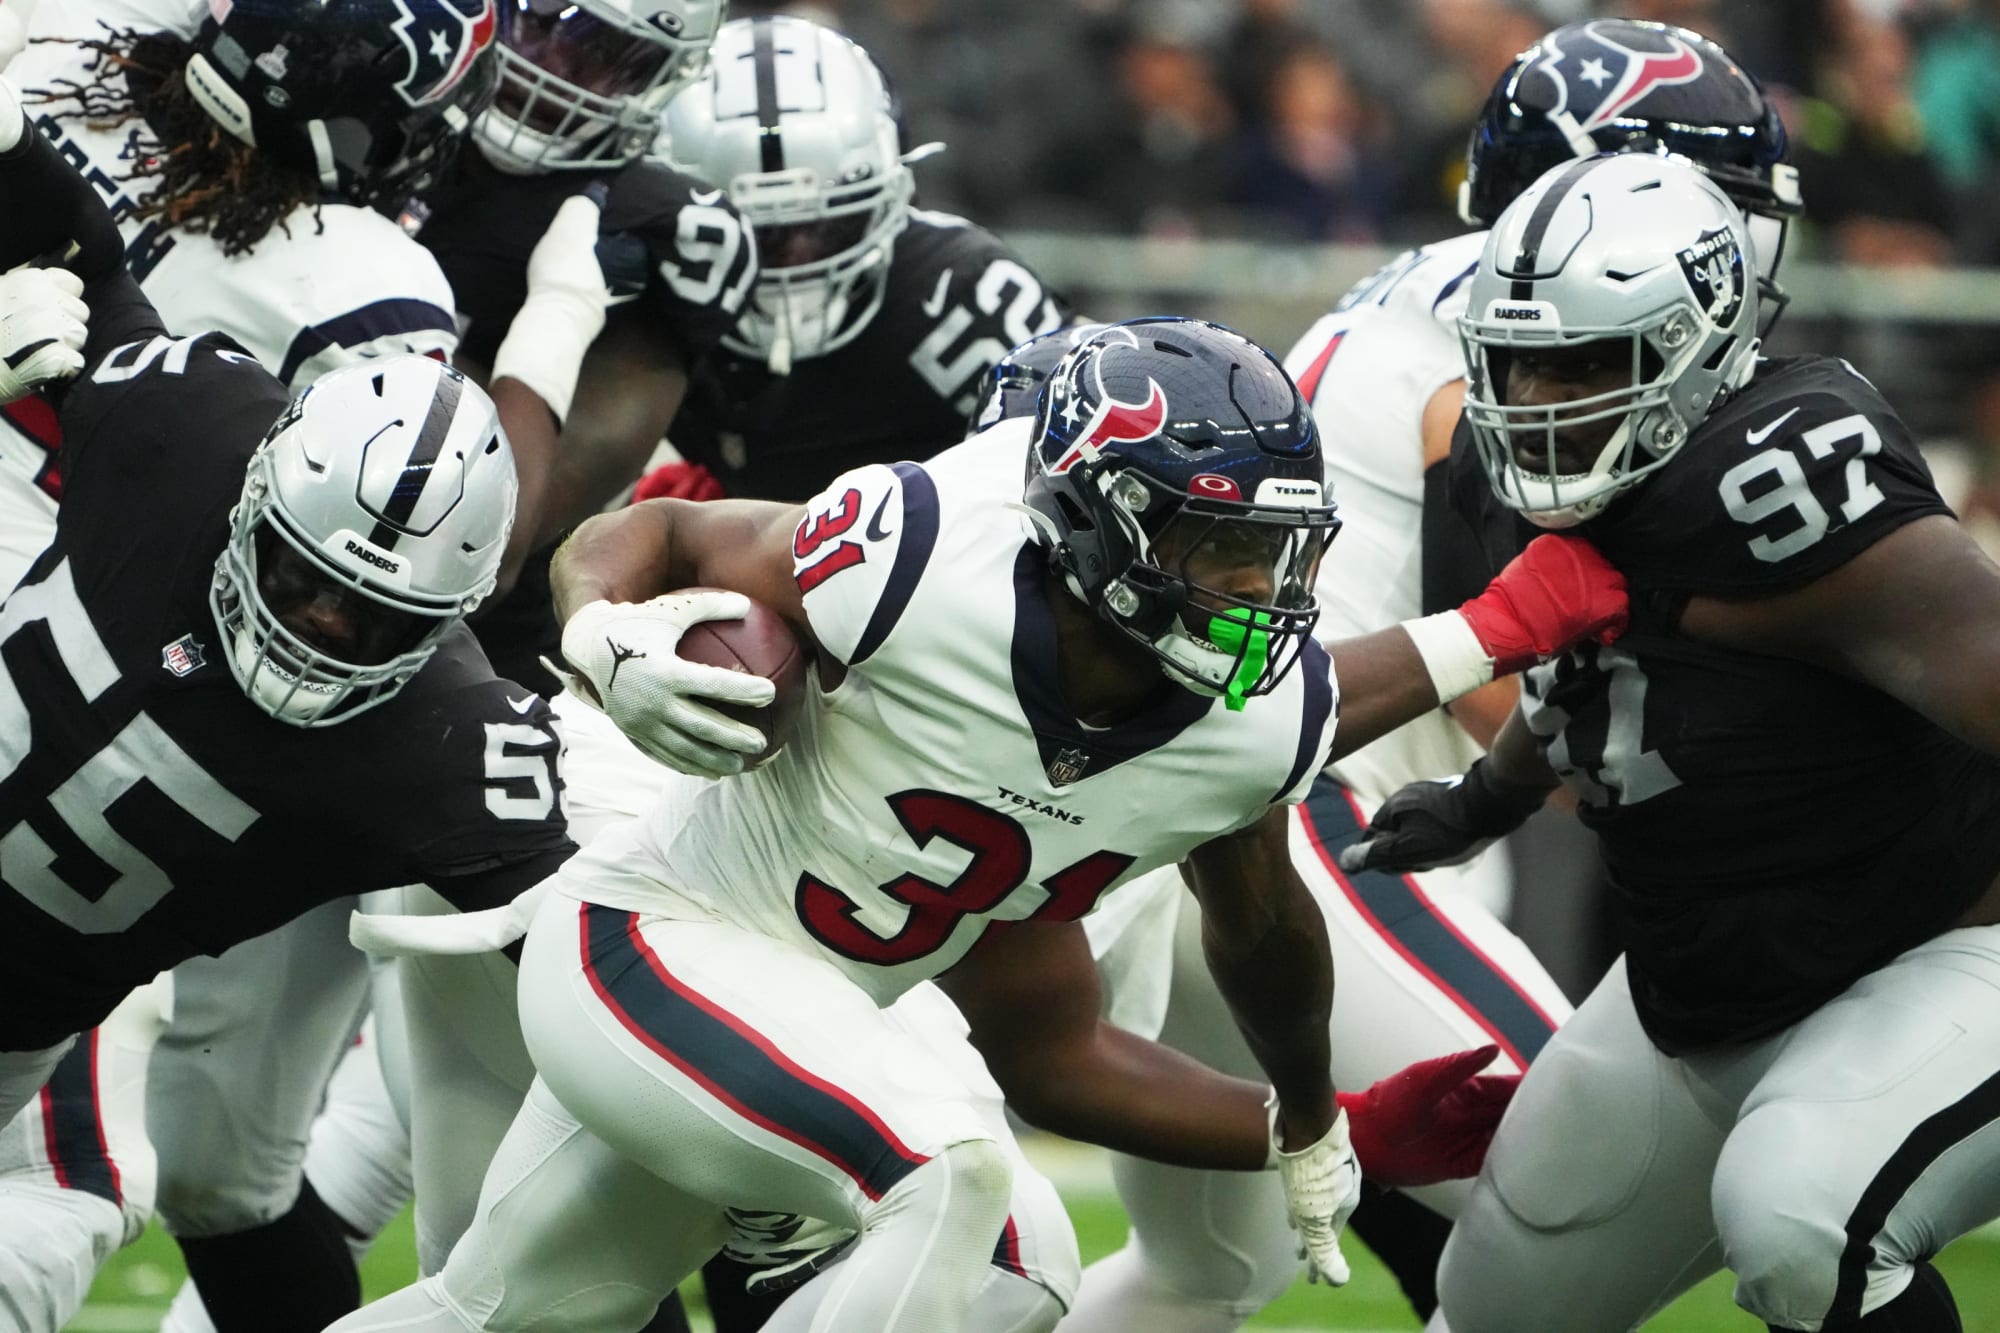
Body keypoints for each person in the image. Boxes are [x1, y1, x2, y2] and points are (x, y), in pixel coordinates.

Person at [326, 314, 1631, 1333]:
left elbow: (1062, 1052)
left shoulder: (1232, 735)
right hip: (655, 942)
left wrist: (1312, 1120)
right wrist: (604, 637)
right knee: (962, 1183)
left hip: (775, 1025)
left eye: (1274, 556)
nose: (1253, 595)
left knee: (508, 1310)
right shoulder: (920, 559)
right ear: (1094, 523)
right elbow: (658, 532)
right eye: (1213, 549)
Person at [1057, 18, 1804, 1329]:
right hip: (1322, 814)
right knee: (1601, 1200)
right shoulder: (1530, 346)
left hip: (1267, 805)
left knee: (1208, 1271)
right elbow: (1509, 675)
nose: (1743, 235)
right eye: (1726, 200)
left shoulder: (1469, 297)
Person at [1344, 151, 2000, 1333]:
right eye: (1519, 367)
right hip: (1700, 991)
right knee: (1488, 1305)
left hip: (1941, 944)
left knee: (1802, 1217)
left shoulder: (1788, 476)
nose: (1543, 403)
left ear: (1700, 341)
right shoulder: (1547, 481)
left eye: (1585, 363)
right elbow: (1600, 687)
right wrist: (1482, 797)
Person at [0, 91, 592, 1333]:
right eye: (308, 584)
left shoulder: (445, 744)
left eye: (374, 619)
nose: (323, 629)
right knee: (75, 1189)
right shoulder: (190, 423)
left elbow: (596, 962)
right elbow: (74, 252)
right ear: (258, 494)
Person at [653, 13, 1069, 502]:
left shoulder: (957, 294)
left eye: (824, 228)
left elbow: (1076, 468)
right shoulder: (645, 288)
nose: (795, 265)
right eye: (759, 237)